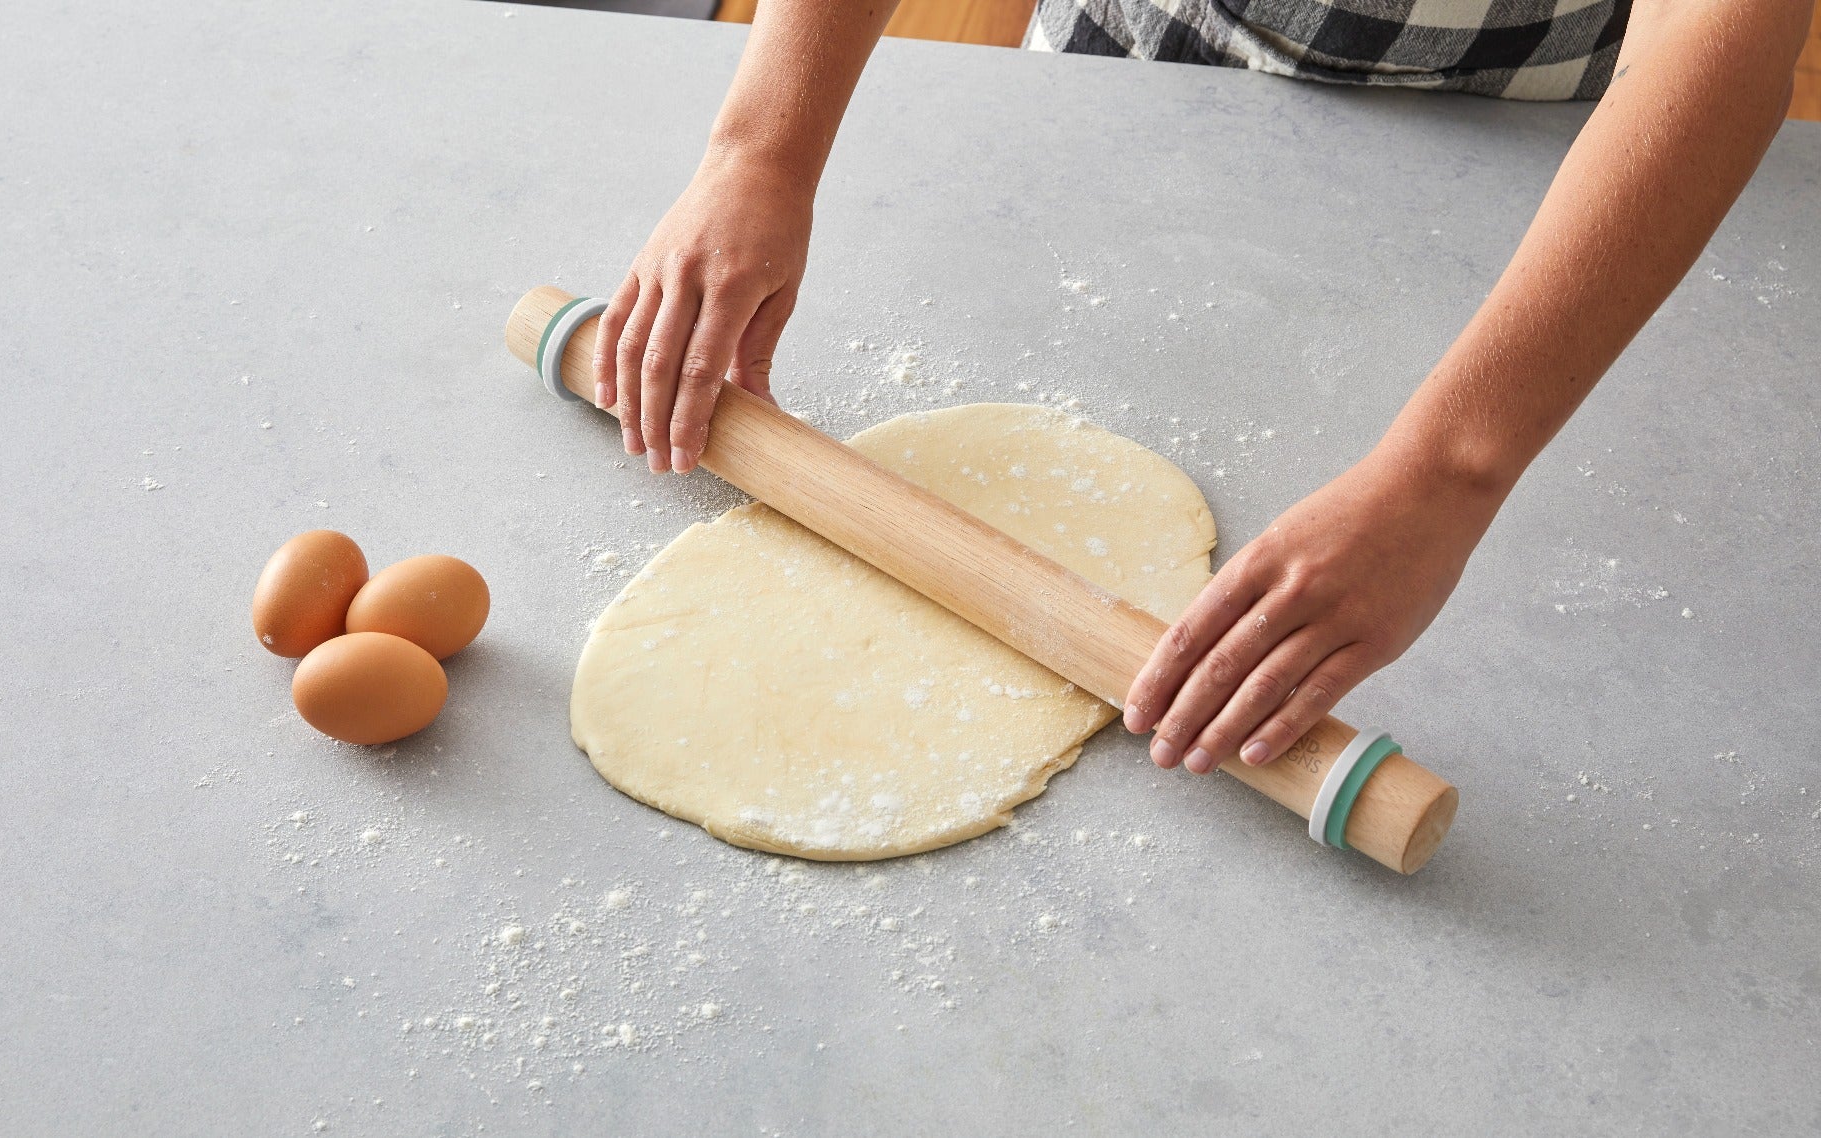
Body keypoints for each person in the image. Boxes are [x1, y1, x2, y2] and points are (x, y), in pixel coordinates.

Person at [589, 0, 1811, 775]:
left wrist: (1452, 468)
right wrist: (762, 145)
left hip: (1513, 144)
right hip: (1133, 58)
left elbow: (1722, 28)